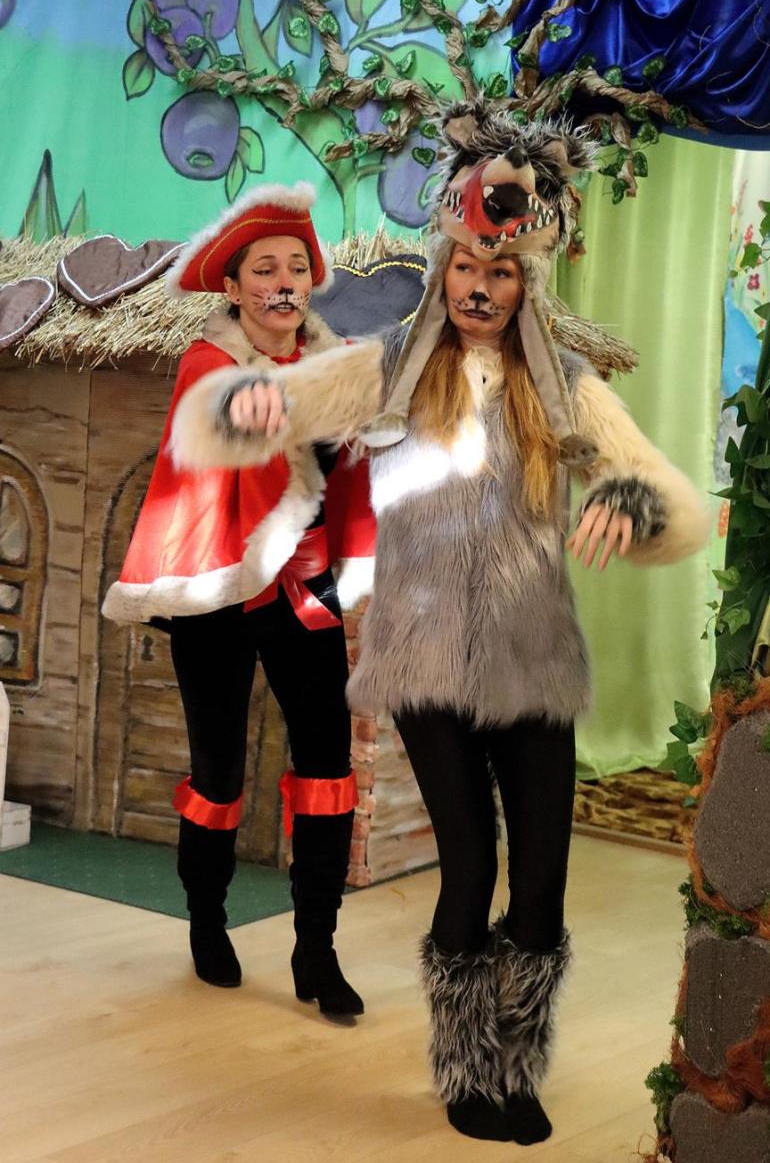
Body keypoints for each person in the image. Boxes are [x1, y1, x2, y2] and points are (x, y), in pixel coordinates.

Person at [169, 107, 710, 1142]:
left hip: (532, 663)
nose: (478, 287)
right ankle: (466, 1068)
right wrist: (244, 412)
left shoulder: (566, 390)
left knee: (542, 883)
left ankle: (515, 1062)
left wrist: (632, 501)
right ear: (444, 267)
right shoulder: (389, 367)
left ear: (525, 283)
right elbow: (252, 410)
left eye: (499, 273)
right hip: (423, 661)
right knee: (471, 863)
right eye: (465, 266)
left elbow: (671, 503)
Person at [102, 182, 376, 1018]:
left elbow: (358, 466)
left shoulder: (339, 364)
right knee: (219, 770)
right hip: (221, 595)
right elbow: (209, 423)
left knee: (329, 768)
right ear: (233, 286)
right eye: (265, 268)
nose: (284, 281)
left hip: (303, 590)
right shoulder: (207, 361)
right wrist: (269, 410)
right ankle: (206, 918)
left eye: (297, 266)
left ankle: (316, 948)